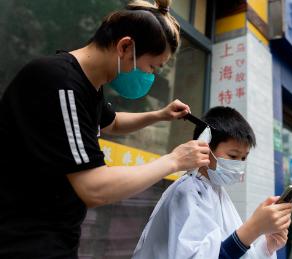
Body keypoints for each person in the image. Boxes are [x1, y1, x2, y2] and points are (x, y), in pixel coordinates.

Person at [0, 1, 211, 258]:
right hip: (23, 240)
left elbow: (112, 123)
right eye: (152, 67)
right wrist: (174, 161)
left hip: (56, 235)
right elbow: (93, 188)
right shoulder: (61, 84)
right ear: (125, 47)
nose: (150, 77)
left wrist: (160, 114)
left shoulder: (90, 86)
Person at [133, 106, 292, 258]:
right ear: (204, 148)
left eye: (244, 158)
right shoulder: (188, 192)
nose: (239, 163)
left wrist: (267, 246)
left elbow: (233, 252)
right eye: (233, 156)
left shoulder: (216, 192)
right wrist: (253, 228)